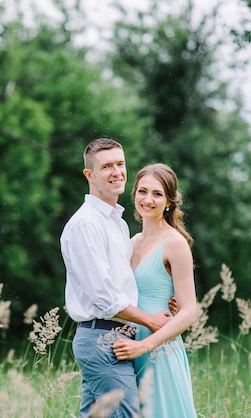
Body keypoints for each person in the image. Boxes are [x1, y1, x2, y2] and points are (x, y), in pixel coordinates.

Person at [61, 139, 172, 418]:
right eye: (107, 166)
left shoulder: (118, 223)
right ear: (89, 175)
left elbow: (128, 282)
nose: (116, 172)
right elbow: (105, 297)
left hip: (116, 337)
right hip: (103, 339)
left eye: (120, 164)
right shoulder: (87, 224)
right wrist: (151, 321)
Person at [112, 163, 197, 417]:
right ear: (134, 194)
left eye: (157, 194)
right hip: (126, 348)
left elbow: (189, 311)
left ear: (169, 201)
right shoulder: (131, 242)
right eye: (142, 191)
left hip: (157, 351)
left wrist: (145, 346)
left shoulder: (175, 243)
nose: (148, 199)